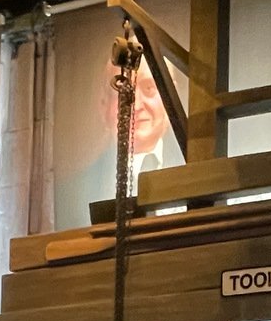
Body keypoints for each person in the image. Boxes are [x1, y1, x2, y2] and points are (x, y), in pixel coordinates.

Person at [58, 57, 185, 230]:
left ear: (170, 95)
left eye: (149, 88)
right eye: (123, 91)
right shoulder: (71, 194)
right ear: (104, 106)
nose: (136, 105)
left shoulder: (198, 172)